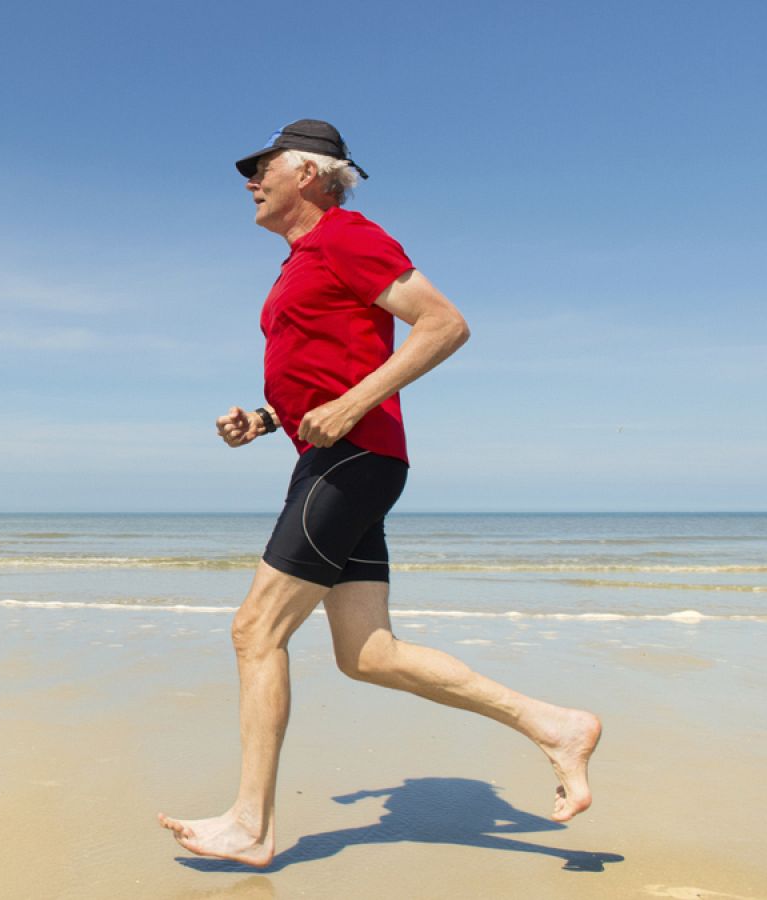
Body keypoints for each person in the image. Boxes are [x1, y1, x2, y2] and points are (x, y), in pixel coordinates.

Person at [157, 119, 602, 868]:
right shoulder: (303, 260)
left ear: (308, 173)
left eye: (261, 166)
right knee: (368, 654)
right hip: (343, 456)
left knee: (254, 631)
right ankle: (556, 725)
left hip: (353, 459)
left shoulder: (347, 234)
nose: (249, 181)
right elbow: (328, 369)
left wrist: (354, 405)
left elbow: (444, 324)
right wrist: (266, 419)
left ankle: (252, 824)